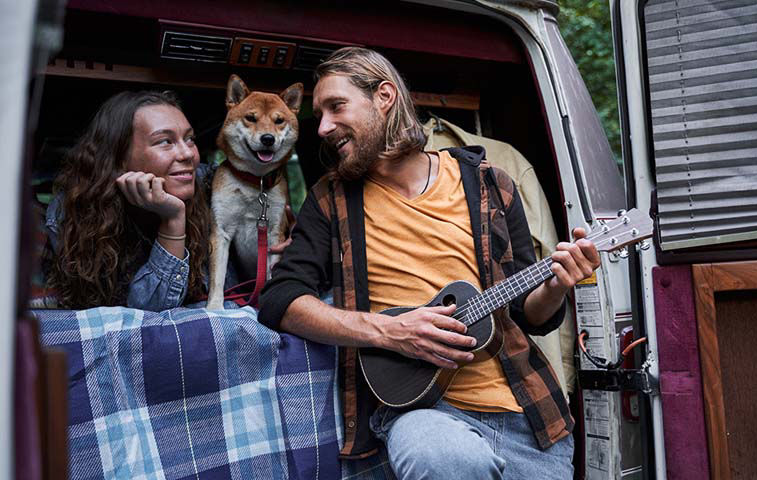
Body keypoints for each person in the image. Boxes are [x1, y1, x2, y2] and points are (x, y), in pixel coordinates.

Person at [258, 47, 600, 479]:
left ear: (384, 97)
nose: (322, 127)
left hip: (528, 417)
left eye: (335, 107)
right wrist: (390, 331)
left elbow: (528, 314)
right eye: (320, 113)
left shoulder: (492, 185)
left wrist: (557, 285)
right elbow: (281, 301)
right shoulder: (331, 201)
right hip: (421, 413)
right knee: (439, 458)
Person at [45, 90, 211, 310]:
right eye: (165, 141)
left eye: (189, 139)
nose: (188, 154)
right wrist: (173, 221)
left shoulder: (209, 186)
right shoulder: (71, 213)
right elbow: (142, 320)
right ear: (119, 158)